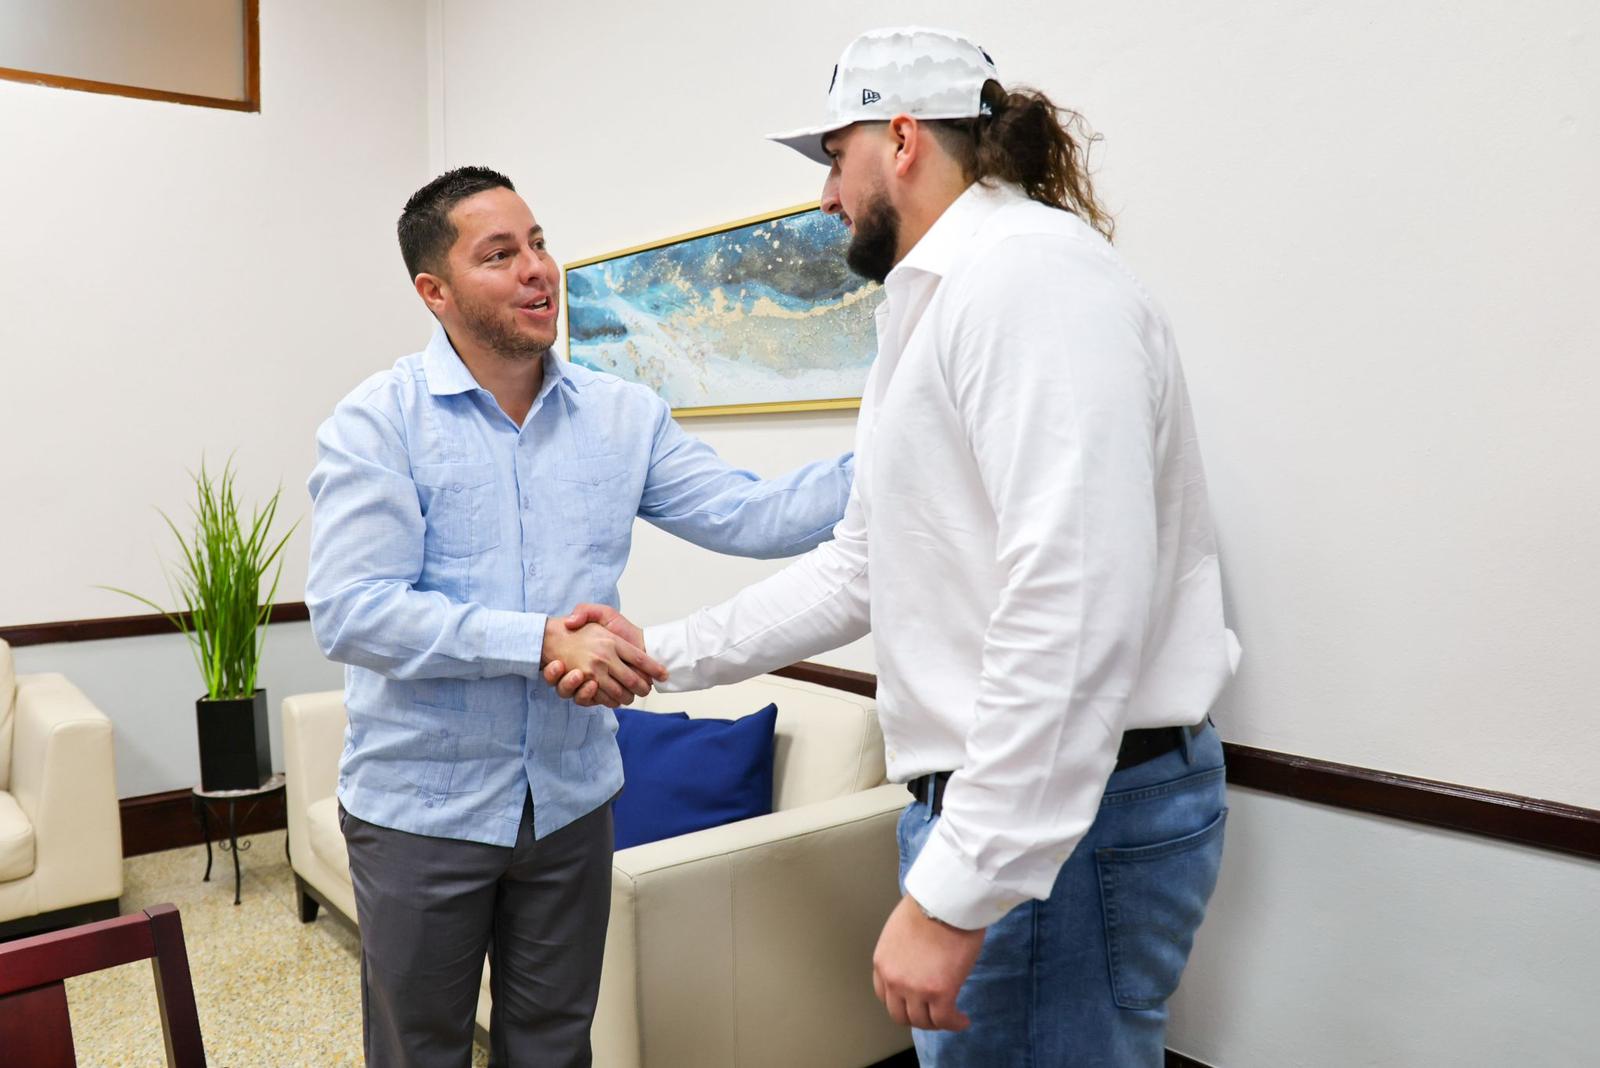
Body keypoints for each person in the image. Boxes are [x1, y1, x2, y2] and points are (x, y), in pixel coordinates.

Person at [548, 27, 1241, 1067]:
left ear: (903, 138)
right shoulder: (929, 308)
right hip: (1019, 809)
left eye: (834, 157)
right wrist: (664, 654)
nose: (826, 195)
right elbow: (864, 564)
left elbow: (1075, 598)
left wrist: (960, 889)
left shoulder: (1029, 281)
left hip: (1065, 819)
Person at [304, 165, 855, 1067]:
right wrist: (540, 642)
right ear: (433, 292)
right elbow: (356, 614)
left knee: (557, 1047)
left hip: (570, 801)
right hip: (421, 811)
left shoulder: (623, 415)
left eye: (539, 243)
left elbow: (751, 515)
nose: (537, 269)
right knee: (419, 1052)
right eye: (500, 254)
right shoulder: (379, 423)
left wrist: (911, 446)